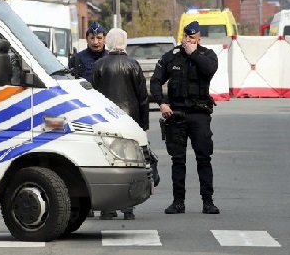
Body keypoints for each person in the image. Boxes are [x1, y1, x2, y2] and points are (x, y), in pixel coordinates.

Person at [149, 21, 220, 215]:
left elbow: (209, 70)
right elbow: (155, 81)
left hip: (199, 115)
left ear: (199, 39)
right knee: (178, 160)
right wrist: (161, 103)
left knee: (204, 159)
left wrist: (193, 54)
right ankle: (178, 202)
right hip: (177, 115)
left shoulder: (207, 55)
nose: (189, 41)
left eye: (193, 38)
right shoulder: (171, 57)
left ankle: (208, 202)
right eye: (186, 37)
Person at [91, 28, 150, 220]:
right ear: (125, 43)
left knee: (107, 161)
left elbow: (93, 94)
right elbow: (142, 97)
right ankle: (129, 208)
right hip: (130, 118)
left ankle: (108, 208)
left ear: (107, 42)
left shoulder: (99, 64)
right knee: (130, 162)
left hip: (106, 120)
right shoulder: (133, 65)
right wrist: (144, 124)